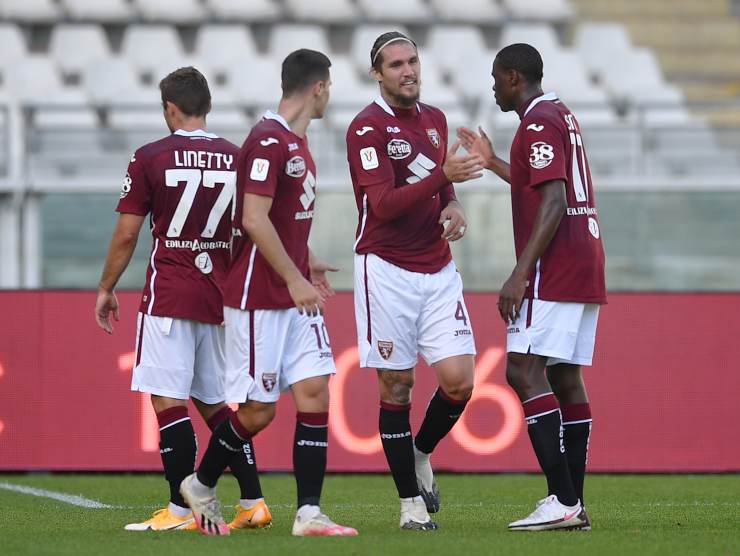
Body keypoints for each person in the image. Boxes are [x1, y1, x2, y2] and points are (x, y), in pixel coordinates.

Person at [179, 49, 358, 538]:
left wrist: (307, 260)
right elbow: (253, 219)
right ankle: (201, 482)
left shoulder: (297, 142)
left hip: (292, 295)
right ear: (319, 87)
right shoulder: (267, 140)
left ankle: (309, 514)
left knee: (316, 392)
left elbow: (283, 221)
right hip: (260, 299)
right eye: (330, 88)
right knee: (259, 411)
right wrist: (295, 278)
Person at [94, 67, 270, 532]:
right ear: (207, 107)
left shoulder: (150, 156)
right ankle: (253, 501)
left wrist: (107, 286)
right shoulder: (238, 158)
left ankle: (179, 510)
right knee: (215, 405)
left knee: (168, 403)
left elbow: (128, 232)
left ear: (170, 109)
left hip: (171, 295)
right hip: (220, 299)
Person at [458, 43, 606, 531]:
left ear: (515, 77)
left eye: (497, 78)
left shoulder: (537, 122)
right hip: (584, 259)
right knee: (563, 376)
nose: (493, 87)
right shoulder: (559, 115)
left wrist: (520, 272)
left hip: (555, 266)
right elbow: (541, 184)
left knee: (522, 371)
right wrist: (495, 161)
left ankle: (563, 499)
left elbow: (554, 200)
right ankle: (574, 504)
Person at [345, 31, 484, 531]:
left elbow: (440, 182)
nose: (408, 70)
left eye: (413, 61)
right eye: (396, 64)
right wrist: (441, 176)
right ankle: (409, 504)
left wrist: (452, 203)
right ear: (377, 74)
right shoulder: (365, 129)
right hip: (385, 269)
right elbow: (381, 205)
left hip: (438, 267)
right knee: (397, 386)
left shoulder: (435, 121)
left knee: (460, 381)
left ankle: (421, 452)